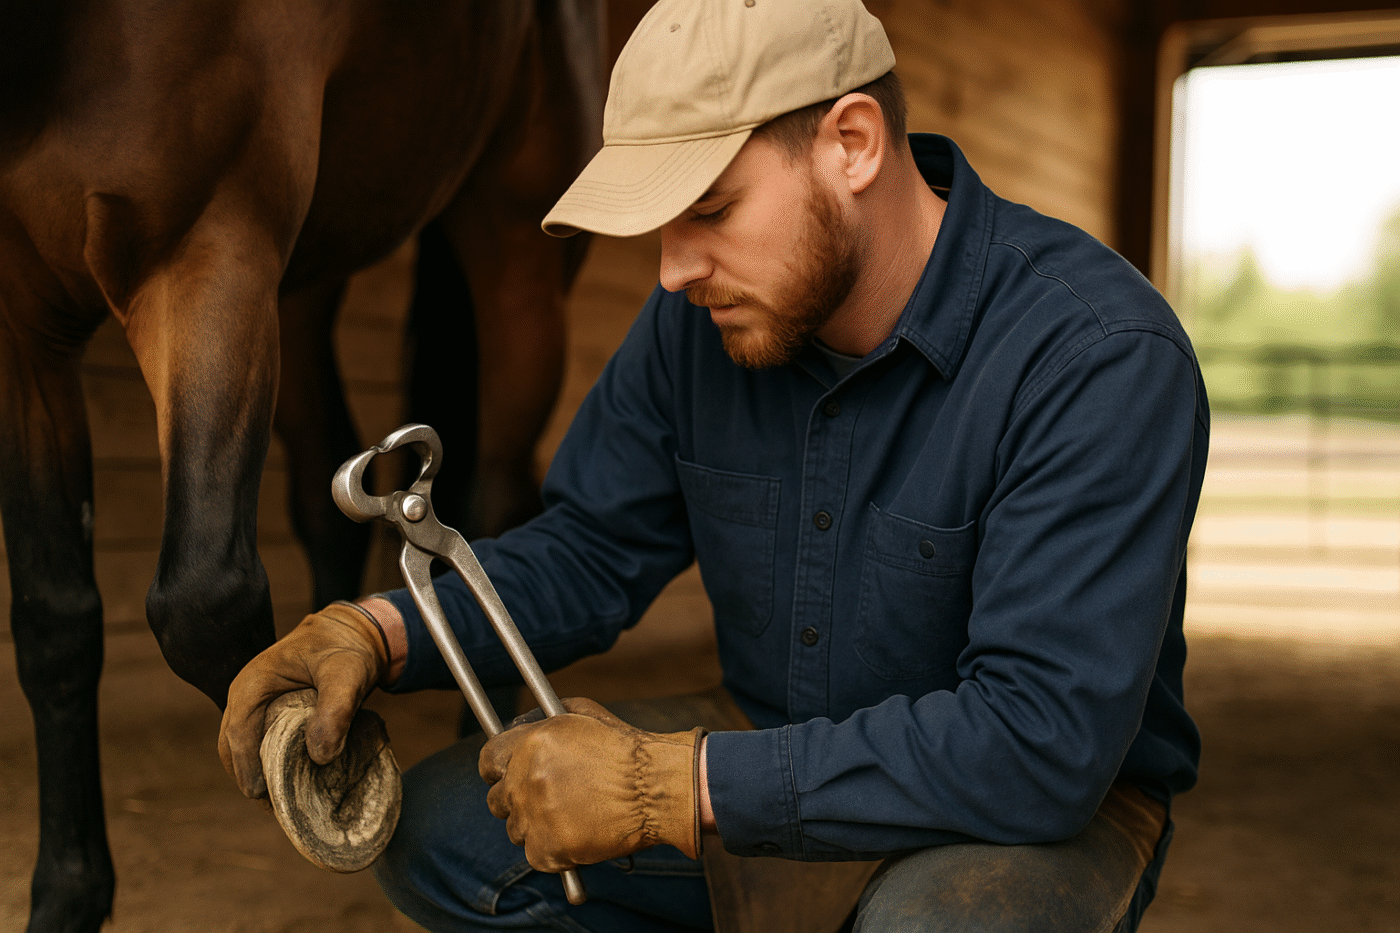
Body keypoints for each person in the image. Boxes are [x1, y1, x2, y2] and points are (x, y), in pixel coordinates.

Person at [219, 1, 1209, 930]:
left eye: (710, 208)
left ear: (851, 145)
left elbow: (1036, 744)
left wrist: (667, 789)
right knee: (447, 830)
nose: (671, 269)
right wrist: (381, 631)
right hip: (767, 734)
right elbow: (590, 548)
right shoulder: (701, 320)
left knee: (932, 924)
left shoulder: (1096, 356)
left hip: (1015, 806)